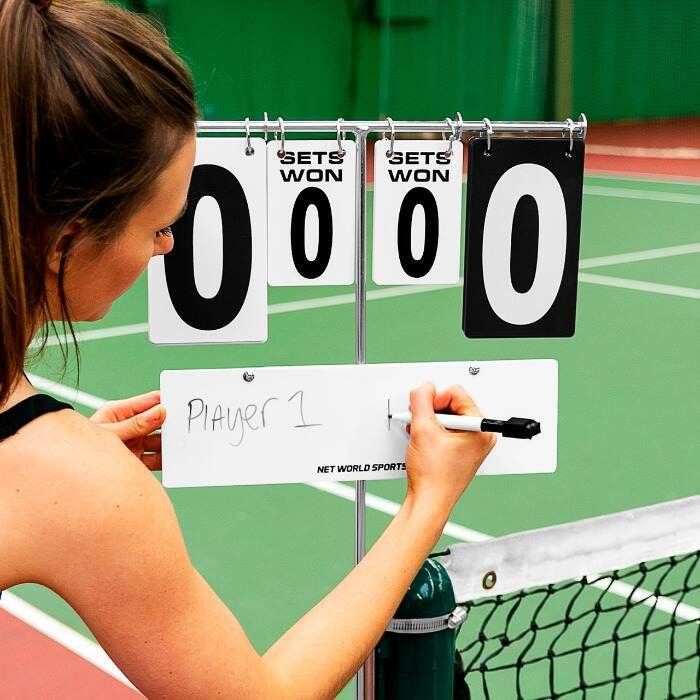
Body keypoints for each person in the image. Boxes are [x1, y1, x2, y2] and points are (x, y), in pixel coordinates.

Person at [0, 0, 496, 697]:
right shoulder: (72, 481)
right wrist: (427, 504)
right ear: (67, 241)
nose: (167, 248)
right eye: (157, 229)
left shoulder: (59, 471)